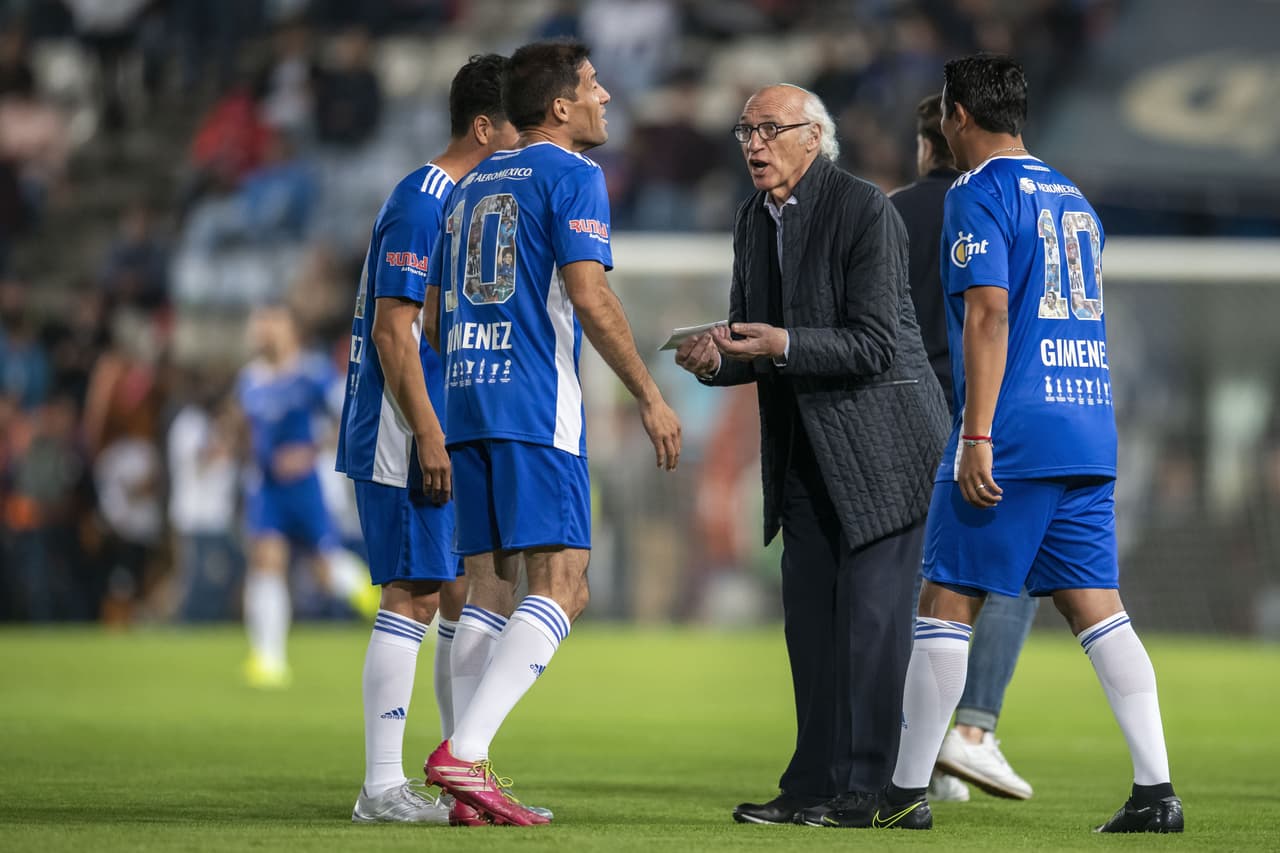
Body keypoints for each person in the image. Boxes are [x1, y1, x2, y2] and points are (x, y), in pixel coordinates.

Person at [863, 55, 1182, 834]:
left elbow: (989, 315)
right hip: (1088, 425)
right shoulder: (1074, 197)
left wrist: (976, 432)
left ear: (959, 117)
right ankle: (1155, 791)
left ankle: (904, 790)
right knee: (1098, 609)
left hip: (1016, 427)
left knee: (945, 599)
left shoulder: (979, 192)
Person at [674, 83, 950, 827]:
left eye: (769, 129)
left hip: (884, 450)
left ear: (812, 136)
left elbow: (877, 343)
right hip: (807, 452)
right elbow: (753, 342)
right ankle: (812, 786)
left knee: (870, 627)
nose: (754, 144)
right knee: (812, 629)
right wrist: (716, 359)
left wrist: (781, 343)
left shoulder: (865, 209)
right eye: (744, 130)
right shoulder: (750, 219)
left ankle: (876, 794)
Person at [422, 39, 682, 827]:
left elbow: (434, 315)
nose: (607, 98)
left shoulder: (466, 189)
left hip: (467, 402)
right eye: (595, 87)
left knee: (489, 593)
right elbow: (589, 293)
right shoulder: (574, 175)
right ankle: (463, 754)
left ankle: (468, 782)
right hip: (535, 409)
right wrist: (648, 391)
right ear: (560, 108)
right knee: (565, 584)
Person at [334, 54, 520, 825]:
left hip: (423, 426)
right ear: (484, 126)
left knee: (451, 593)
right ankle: (380, 787)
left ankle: (458, 771)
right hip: (399, 432)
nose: (525, 140)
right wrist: (432, 435)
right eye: (519, 123)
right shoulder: (424, 199)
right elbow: (392, 331)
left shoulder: (462, 201)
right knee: (410, 596)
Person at [890, 92, 1037, 803]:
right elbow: (1001, 316)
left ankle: (910, 742)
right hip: (974, 421)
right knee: (1001, 572)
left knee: (911, 584)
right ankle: (970, 728)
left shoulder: (891, 211)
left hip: (891, 422)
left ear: (930, 142)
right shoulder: (1011, 205)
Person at [234, 304, 376, 688]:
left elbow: (348, 418)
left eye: (272, 324)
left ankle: (364, 590)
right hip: (267, 488)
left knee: (324, 570)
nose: (263, 332)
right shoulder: (249, 379)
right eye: (260, 325)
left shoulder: (313, 374)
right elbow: (248, 432)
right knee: (266, 561)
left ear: (291, 331)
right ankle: (269, 659)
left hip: (307, 487)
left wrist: (310, 450)